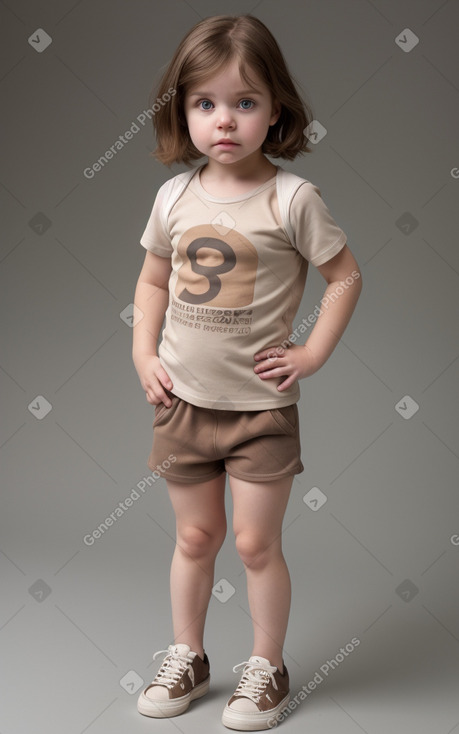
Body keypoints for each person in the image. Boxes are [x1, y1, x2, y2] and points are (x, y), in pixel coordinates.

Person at [132, 14, 362, 731]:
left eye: (244, 102)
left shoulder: (292, 199)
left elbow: (345, 277)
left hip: (259, 408)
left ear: (276, 111)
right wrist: (143, 354)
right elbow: (151, 283)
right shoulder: (173, 197)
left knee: (256, 544)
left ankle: (267, 664)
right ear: (182, 112)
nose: (223, 120)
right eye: (204, 103)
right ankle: (189, 653)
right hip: (182, 403)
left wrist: (311, 353)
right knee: (194, 539)